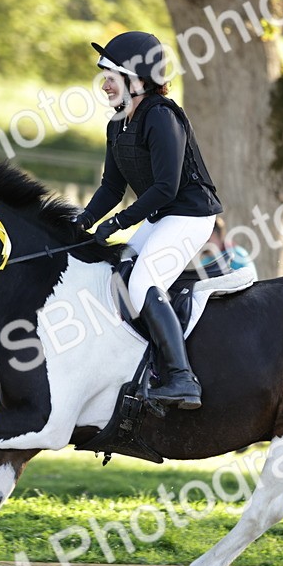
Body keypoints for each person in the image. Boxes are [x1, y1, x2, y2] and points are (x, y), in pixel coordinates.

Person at [74, 31, 223, 410]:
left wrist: (117, 223)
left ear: (136, 79)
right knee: (115, 279)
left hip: (190, 214)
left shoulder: (160, 116)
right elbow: (111, 186)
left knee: (141, 284)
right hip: (162, 215)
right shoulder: (118, 124)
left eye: (111, 76)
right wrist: (83, 221)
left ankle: (182, 378)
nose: (104, 85)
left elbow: (166, 187)